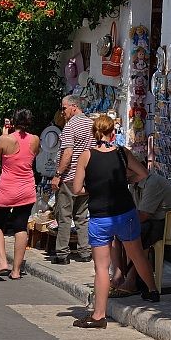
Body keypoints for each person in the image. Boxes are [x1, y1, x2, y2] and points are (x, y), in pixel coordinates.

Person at [70, 114, 160, 328]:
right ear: (113, 133)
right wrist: (126, 180)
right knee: (137, 254)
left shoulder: (86, 156)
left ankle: (99, 315)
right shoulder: (122, 153)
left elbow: (76, 189)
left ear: (94, 133)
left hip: (100, 217)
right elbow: (143, 174)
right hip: (125, 212)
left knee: (102, 267)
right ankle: (152, 291)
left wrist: (93, 188)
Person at [110, 166, 171, 296]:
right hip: (156, 222)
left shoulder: (153, 183)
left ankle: (131, 280)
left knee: (137, 234)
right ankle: (119, 276)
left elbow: (143, 215)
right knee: (119, 233)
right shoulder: (134, 185)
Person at [0, 109, 40, 280]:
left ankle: (2, 262)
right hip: (26, 188)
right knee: (20, 226)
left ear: (13, 122)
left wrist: (4, 134)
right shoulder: (35, 140)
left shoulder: (5, 139)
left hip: (7, 188)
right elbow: (32, 155)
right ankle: (16, 270)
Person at [49, 94, 93, 265]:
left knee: (65, 216)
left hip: (69, 177)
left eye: (64, 108)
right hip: (86, 177)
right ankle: (85, 251)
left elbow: (67, 153)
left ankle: (62, 254)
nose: (62, 112)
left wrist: (58, 174)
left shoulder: (70, 127)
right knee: (82, 216)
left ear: (74, 107)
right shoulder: (91, 124)